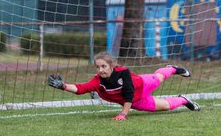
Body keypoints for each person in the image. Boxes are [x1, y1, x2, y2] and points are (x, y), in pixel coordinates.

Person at [48, 52, 201, 121]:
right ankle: (183, 99)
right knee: (166, 106)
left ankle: (173, 68)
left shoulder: (123, 72)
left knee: (159, 77)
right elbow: (81, 88)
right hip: (136, 101)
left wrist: (123, 114)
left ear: (112, 66)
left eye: (103, 66)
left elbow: (128, 94)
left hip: (143, 85)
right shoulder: (97, 80)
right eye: (97, 67)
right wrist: (63, 86)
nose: (100, 70)